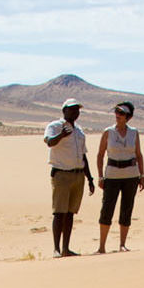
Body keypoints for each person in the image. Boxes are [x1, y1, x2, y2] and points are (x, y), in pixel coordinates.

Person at [43, 98, 96, 257]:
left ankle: (66, 248)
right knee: (59, 212)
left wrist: (90, 178)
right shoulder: (54, 126)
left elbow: (83, 156)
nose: (75, 112)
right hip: (61, 174)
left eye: (77, 110)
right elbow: (49, 142)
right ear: (64, 111)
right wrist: (61, 135)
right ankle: (56, 249)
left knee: (70, 213)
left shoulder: (79, 132)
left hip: (77, 175)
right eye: (72, 109)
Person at [95, 101, 144, 253]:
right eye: (116, 112)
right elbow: (100, 154)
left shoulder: (134, 132)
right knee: (107, 208)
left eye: (122, 113)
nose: (118, 115)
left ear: (128, 117)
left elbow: (138, 154)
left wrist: (142, 175)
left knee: (127, 208)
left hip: (131, 175)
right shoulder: (108, 132)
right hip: (112, 175)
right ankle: (102, 246)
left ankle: (122, 244)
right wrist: (100, 176)